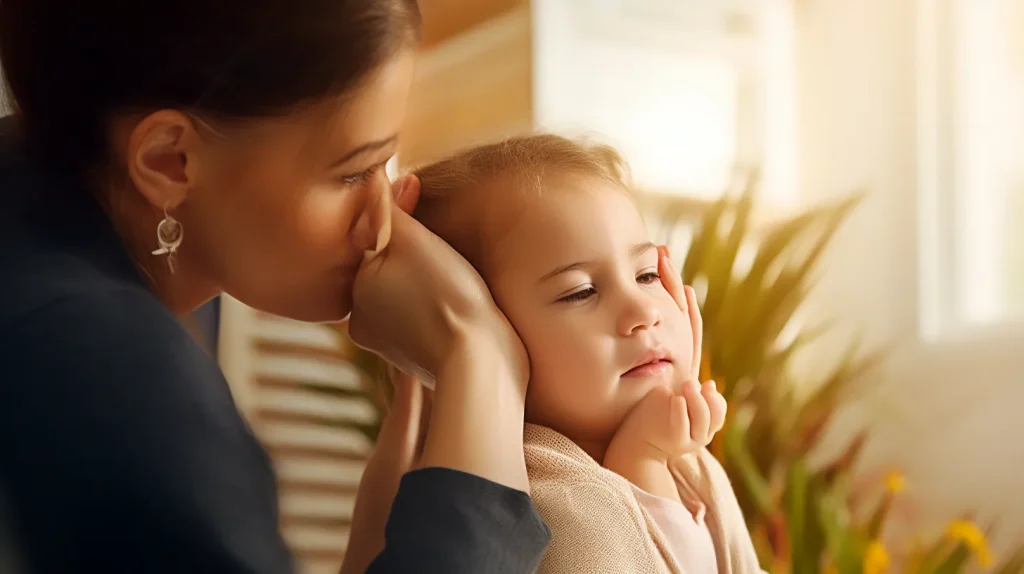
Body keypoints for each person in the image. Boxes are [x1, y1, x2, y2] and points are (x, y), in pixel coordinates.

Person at [0, 1, 549, 573]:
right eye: (354, 171)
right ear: (170, 159)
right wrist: (480, 352)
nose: (383, 221)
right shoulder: (108, 369)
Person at [409, 135, 764, 573]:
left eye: (648, 274)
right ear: (492, 336)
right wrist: (642, 461)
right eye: (581, 292)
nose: (643, 312)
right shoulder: (544, 496)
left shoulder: (688, 460)